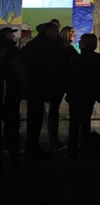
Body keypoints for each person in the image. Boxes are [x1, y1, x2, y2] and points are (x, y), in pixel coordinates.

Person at [21, 21, 60, 158]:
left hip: (36, 87)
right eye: (54, 31)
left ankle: (32, 145)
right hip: (37, 87)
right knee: (35, 117)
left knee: (35, 116)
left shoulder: (36, 45)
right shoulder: (42, 46)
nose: (56, 33)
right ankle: (32, 146)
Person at [64, 33, 100, 159]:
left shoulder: (76, 60)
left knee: (74, 122)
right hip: (89, 94)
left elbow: (69, 78)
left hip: (76, 94)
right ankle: (85, 147)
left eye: (81, 40)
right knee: (85, 121)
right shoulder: (97, 59)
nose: (79, 42)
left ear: (85, 44)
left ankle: (72, 148)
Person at [0, 25, 27, 174]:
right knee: (12, 129)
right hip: (10, 94)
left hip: (7, 93)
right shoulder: (12, 53)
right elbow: (20, 73)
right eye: (11, 35)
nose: (14, 37)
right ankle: (14, 163)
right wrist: (23, 89)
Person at [48, 25, 78, 151]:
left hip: (57, 82)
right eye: (73, 34)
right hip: (64, 82)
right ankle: (58, 140)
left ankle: (53, 139)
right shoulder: (68, 49)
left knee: (53, 110)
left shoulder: (57, 47)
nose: (75, 36)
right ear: (68, 35)